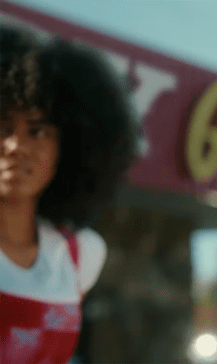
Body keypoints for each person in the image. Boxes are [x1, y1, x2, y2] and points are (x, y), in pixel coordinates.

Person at [0, 25, 137, 363]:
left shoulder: (79, 256)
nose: (17, 146)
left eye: (37, 131)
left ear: (71, 146)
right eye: (3, 127)